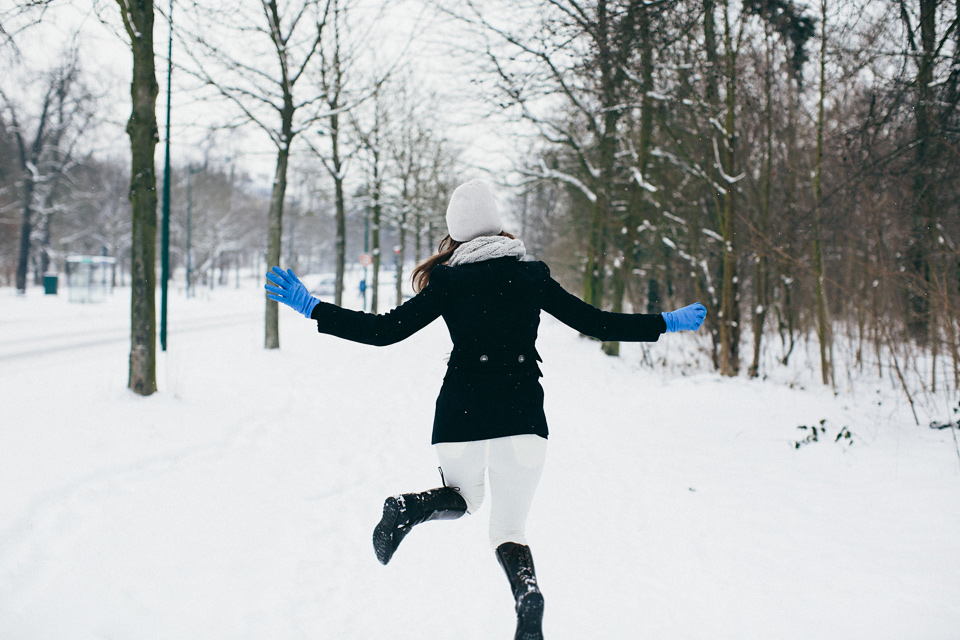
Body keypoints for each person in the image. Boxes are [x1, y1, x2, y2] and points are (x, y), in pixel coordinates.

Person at [264, 179, 706, 640]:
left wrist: (312, 307)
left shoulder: (448, 281)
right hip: (523, 416)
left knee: (465, 499)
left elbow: (386, 331)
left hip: (460, 414)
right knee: (509, 528)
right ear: (498, 226)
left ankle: (409, 508)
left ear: (454, 233)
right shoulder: (531, 275)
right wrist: (666, 322)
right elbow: (595, 322)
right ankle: (527, 594)